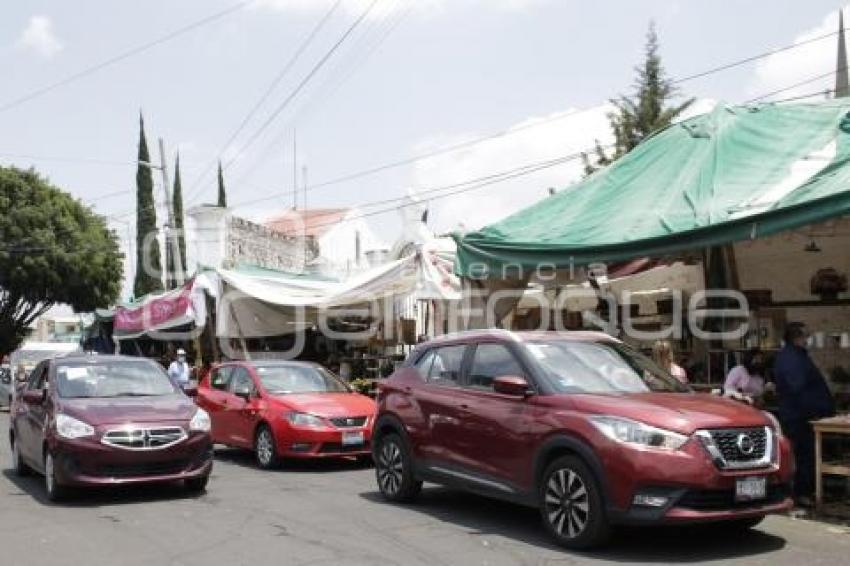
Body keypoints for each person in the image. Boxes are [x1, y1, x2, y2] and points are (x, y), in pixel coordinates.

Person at [774, 322, 835, 506]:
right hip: (800, 416)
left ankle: (807, 490)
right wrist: (816, 410)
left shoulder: (795, 356)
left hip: (802, 414)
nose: (808, 339)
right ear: (797, 338)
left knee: (806, 455)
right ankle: (802, 493)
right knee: (804, 455)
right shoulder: (792, 358)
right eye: (806, 336)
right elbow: (798, 387)